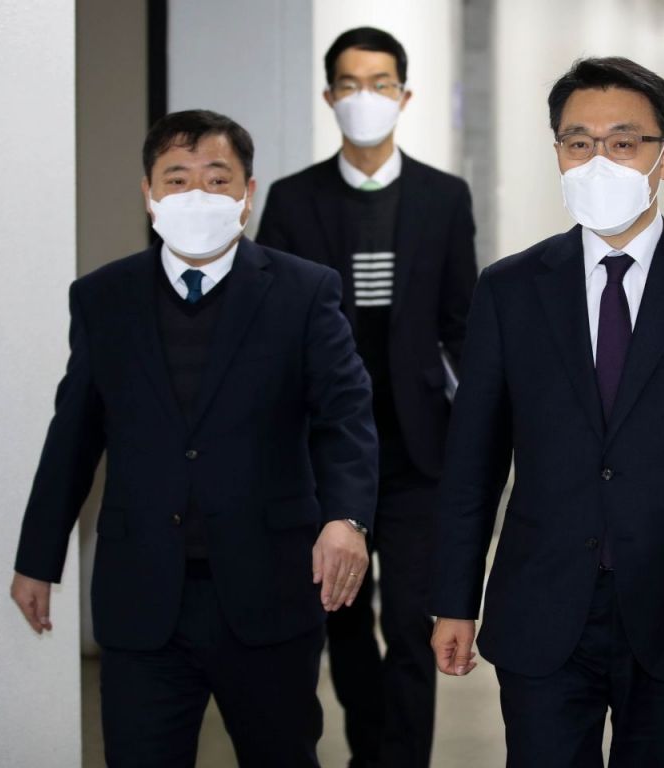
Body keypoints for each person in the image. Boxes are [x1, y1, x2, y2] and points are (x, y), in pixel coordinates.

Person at [430, 57, 664, 767]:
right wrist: (454, 598)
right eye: (579, 143)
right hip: (543, 607)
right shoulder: (511, 289)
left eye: (623, 142)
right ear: (558, 153)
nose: (598, 161)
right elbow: (473, 460)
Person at [10, 109, 378, 767]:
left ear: (247, 193)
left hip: (268, 590)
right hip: (143, 595)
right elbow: (74, 433)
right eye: (176, 179)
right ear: (148, 192)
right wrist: (38, 557)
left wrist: (346, 519)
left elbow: (345, 417)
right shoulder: (103, 297)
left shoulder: (303, 291)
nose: (196, 195)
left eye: (216, 178)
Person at [257, 27, 477, 768]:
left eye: (381, 83)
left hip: (418, 451)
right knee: (343, 618)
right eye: (350, 84)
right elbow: (276, 328)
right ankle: (370, 749)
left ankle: (401, 759)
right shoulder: (293, 200)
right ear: (329, 96)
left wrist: (477, 426)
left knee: (414, 622)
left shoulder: (444, 197)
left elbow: (461, 323)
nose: (366, 97)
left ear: (404, 96)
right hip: (330, 454)